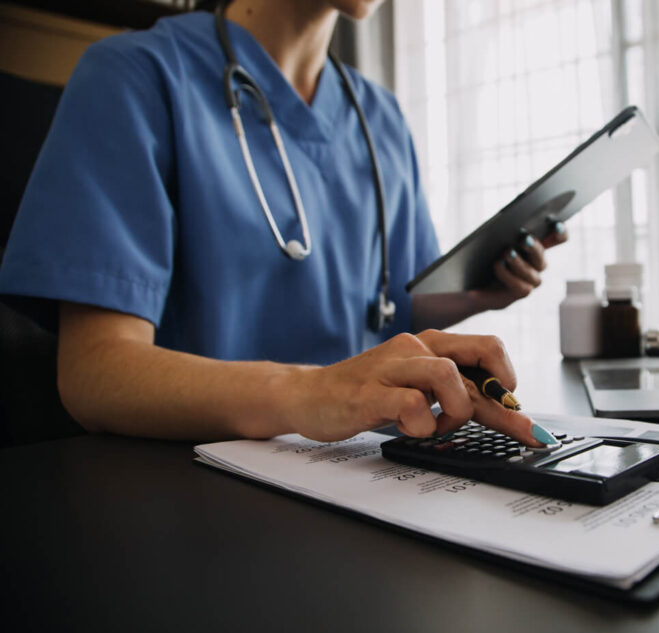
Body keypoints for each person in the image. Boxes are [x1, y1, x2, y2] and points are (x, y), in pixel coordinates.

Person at [0, 0, 568, 446]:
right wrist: (313, 392)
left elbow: (394, 304)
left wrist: (476, 292)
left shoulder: (382, 119)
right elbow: (95, 376)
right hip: (199, 494)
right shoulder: (134, 76)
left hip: (377, 469)